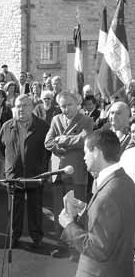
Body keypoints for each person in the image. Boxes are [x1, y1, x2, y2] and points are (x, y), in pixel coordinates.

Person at [59, 130, 135, 277]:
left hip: (100, 276)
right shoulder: (125, 181)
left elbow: (97, 249)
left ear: (96, 152)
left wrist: (69, 225)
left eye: (86, 152)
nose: (84, 157)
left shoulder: (107, 195)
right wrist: (84, 209)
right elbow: (114, 222)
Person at [45, 91, 93, 258]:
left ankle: (76, 248)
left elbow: (84, 140)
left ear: (77, 104)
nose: (65, 109)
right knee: (60, 209)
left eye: (69, 105)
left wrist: (62, 140)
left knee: (76, 210)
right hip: (58, 172)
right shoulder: (56, 119)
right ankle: (62, 245)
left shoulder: (87, 120)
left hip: (77, 172)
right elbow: (48, 142)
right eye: (62, 106)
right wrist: (60, 144)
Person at [0, 94, 49, 248]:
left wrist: (43, 169)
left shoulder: (43, 126)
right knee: (14, 209)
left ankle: (37, 238)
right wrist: (6, 170)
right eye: (18, 106)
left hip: (35, 174)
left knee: (35, 208)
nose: (21, 109)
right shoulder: (7, 126)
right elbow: (1, 150)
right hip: (14, 176)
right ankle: (14, 236)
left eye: (25, 105)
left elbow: (48, 151)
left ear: (32, 107)